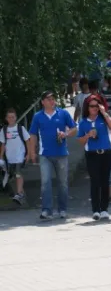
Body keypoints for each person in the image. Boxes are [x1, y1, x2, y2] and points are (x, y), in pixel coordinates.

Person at [28, 91, 77, 219]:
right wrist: (31, 151)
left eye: (53, 98)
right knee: (45, 182)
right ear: (43, 102)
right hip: (45, 154)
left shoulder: (63, 113)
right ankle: (46, 210)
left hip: (61, 154)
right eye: (48, 99)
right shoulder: (38, 116)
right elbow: (32, 134)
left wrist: (65, 134)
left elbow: (74, 128)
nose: (52, 101)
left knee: (63, 183)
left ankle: (62, 209)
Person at [77, 95, 111, 220]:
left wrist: (104, 112)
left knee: (105, 181)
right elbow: (80, 141)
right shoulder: (83, 122)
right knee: (95, 181)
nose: (94, 108)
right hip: (92, 154)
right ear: (87, 108)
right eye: (92, 106)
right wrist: (88, 135)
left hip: (106, 152)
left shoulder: (103, 118)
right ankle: (96, 209)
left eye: (96, 106)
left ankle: (104, 209)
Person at [0, 108, 31, 205]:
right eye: (9, 117)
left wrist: (28, 154)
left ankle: (19, 194)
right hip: (10, 158)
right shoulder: (4, 130)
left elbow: (28, 141)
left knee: (18, 173)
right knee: (13, 175)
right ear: (6, 118)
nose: (11, 119)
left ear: (16, 117)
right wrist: (1, 157)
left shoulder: (20, 128)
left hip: (19, 156)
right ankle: (20, 194)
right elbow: (3, 144)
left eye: (13, 117)